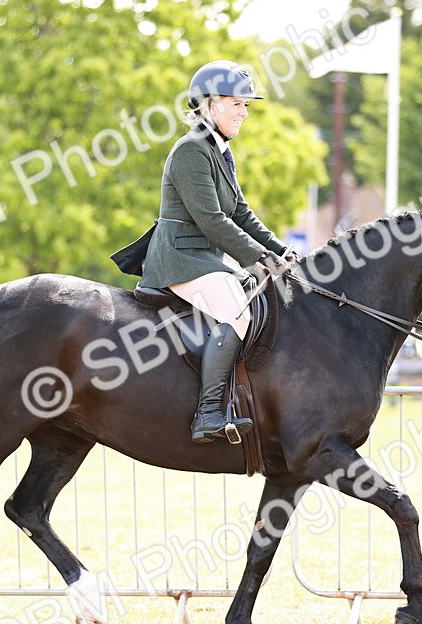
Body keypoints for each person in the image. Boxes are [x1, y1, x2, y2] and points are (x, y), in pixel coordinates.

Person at [121, 60, 294, 443]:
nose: (244, 113)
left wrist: (282, 250)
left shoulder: (219, 152)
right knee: (236, 311)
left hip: (205, 258)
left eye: (246, 106)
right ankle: (209, 414)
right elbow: (212, 220)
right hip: (180, 257)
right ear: (211, 104)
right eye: (237, 104)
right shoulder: (190, 151)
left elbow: (242, 214)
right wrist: (260, 258)